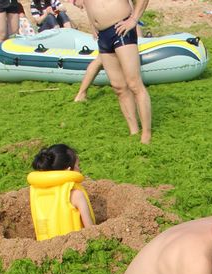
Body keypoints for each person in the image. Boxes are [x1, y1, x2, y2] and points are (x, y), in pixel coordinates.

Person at [81, 0, 152, 142]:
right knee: (118, 87)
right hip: (102, 35)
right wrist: (91, 22)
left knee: (134, 84)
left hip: (121, 28)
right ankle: (133, 131)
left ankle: (146, 133)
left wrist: (133, 19)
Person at [28, 144, 95, 241]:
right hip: (75, 250)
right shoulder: (76, 195)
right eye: (77, 166)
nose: (79, 169)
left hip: (45, 252)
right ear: (68, 170)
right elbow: (91, 231)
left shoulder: (36, 192)